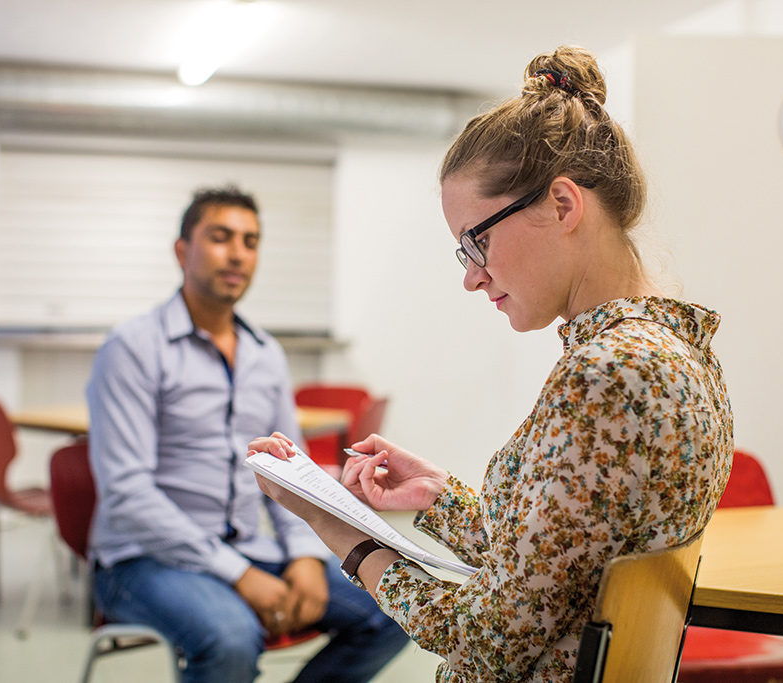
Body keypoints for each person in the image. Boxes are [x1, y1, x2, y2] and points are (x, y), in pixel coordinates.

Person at [248, 46, 734, 683]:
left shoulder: (607, 375)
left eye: (478, 240)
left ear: (562, 205)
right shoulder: (676, 351)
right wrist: (439, 498)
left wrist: (333, 524)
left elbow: (486, 640)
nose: (473, 278)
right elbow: (563, 568)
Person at [85, 185, 409, 683]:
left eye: (250, 241)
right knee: (233, 639)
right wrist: (237, 574)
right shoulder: (133, 347)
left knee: (395, 607)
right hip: (143, 559)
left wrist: (303, 554)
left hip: (249, 551)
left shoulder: (265, 355)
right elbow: (127, 495)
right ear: (181, 251)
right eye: (220, 237)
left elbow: (289, 471)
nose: (238, 253)